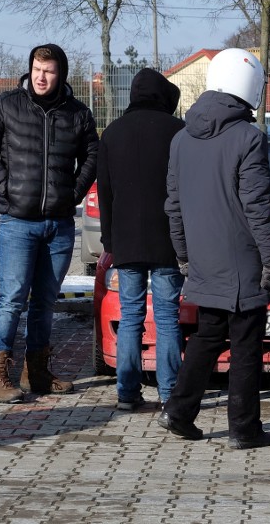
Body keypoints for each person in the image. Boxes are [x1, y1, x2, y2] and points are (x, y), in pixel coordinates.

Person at [159, 48, 270, 450]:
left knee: (207, 337)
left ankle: (179, 413)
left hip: (203, 257)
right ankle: (243, 429)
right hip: (242, 260)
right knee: (246, 345)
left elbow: (173, 205)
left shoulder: (180, 139)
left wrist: (183, 254)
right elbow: (258, 207)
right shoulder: (249, 137)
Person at [0, 44, 98, 403]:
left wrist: (74, 190)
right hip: (17, 221)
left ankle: (37, 372)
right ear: (30, 70)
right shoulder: (7, 105)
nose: (42, 77)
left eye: (49, 70)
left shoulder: (77, 113)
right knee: (12, 298)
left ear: (61, 74)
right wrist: (3, 183)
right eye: (37, 69)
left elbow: (93, 153)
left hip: (58, 224)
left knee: (44, 300)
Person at [96, 68, 186, 411]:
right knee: (166, 317)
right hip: (167, 239)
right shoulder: (178, 132)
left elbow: (104, 191)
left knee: (131, 315)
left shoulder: (113, 133)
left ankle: (127, 393)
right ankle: (169, 394)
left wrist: (109, 239)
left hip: (126, 240)